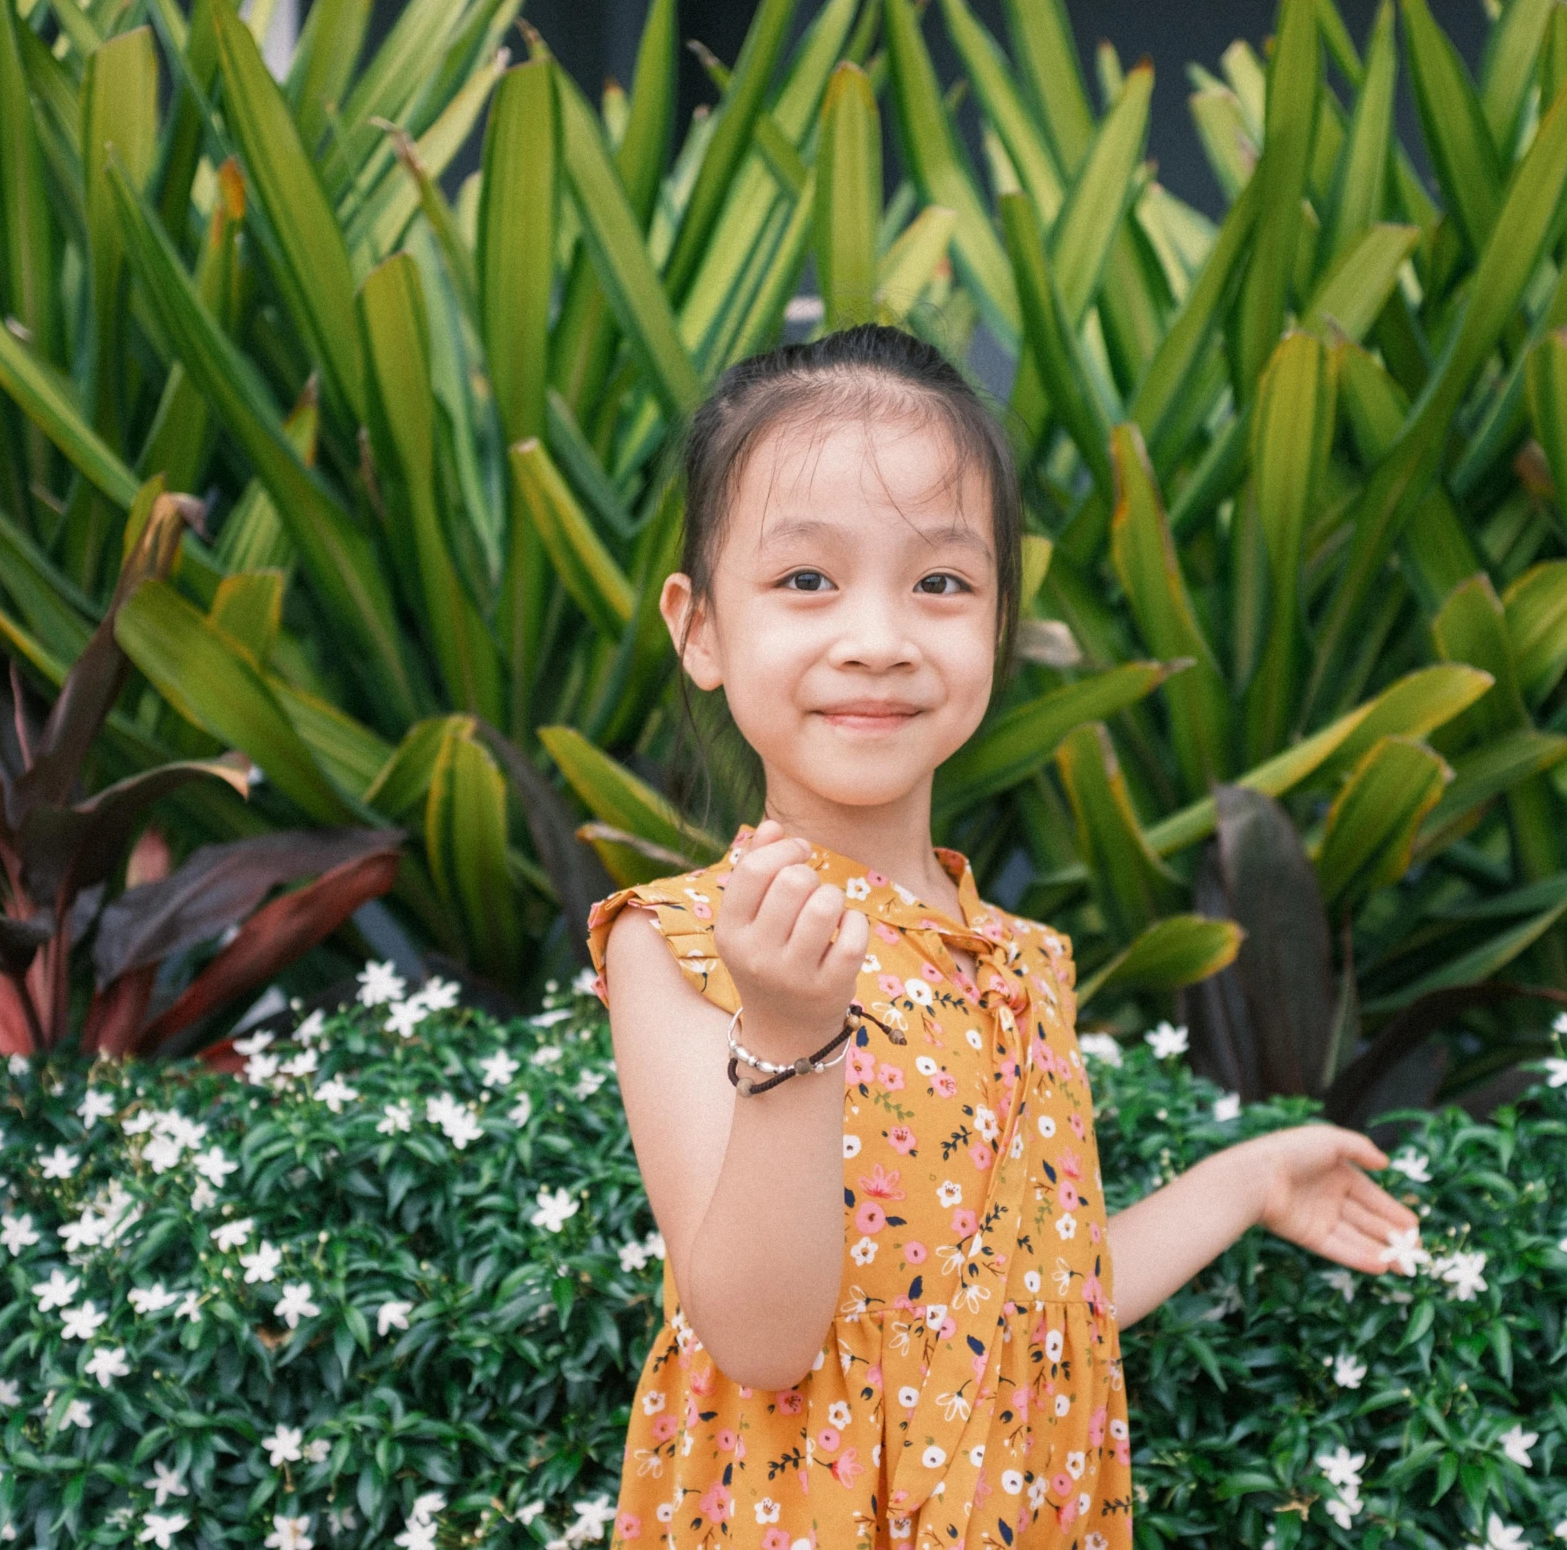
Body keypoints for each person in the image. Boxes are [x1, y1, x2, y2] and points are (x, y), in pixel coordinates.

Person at [585, 323, 1422, 1550]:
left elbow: (1029, 1307)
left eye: (940, 582)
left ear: (994, 624)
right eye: (806, 580)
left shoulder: (1016, 957)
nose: (878, 636)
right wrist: (792, 1035)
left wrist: (1243, 1180)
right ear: (700, 627)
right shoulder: (683, 945)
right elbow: (759, 1339)